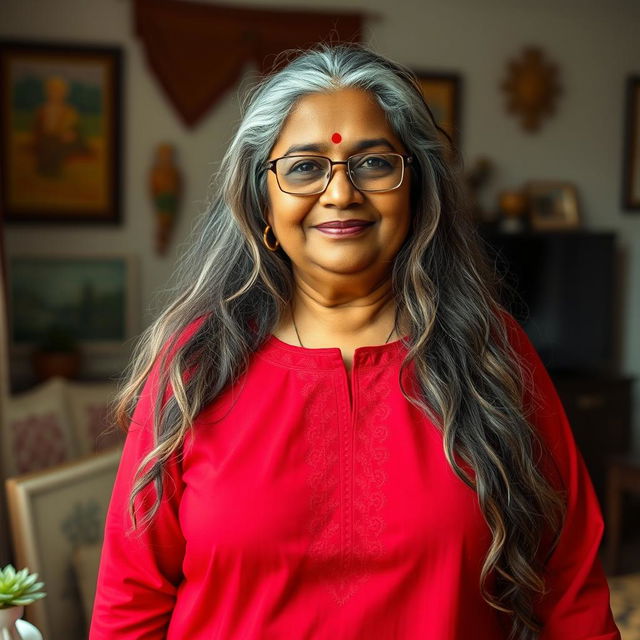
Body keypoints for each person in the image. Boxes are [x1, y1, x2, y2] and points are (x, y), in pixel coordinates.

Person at [89, 43, 620, 640]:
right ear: (261, 199)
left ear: (416, 189)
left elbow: (570, 589)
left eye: (373, 163)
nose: (340, 193)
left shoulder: (491, 354)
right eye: (305, 167)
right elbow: (130, 602)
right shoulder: (196, 364)